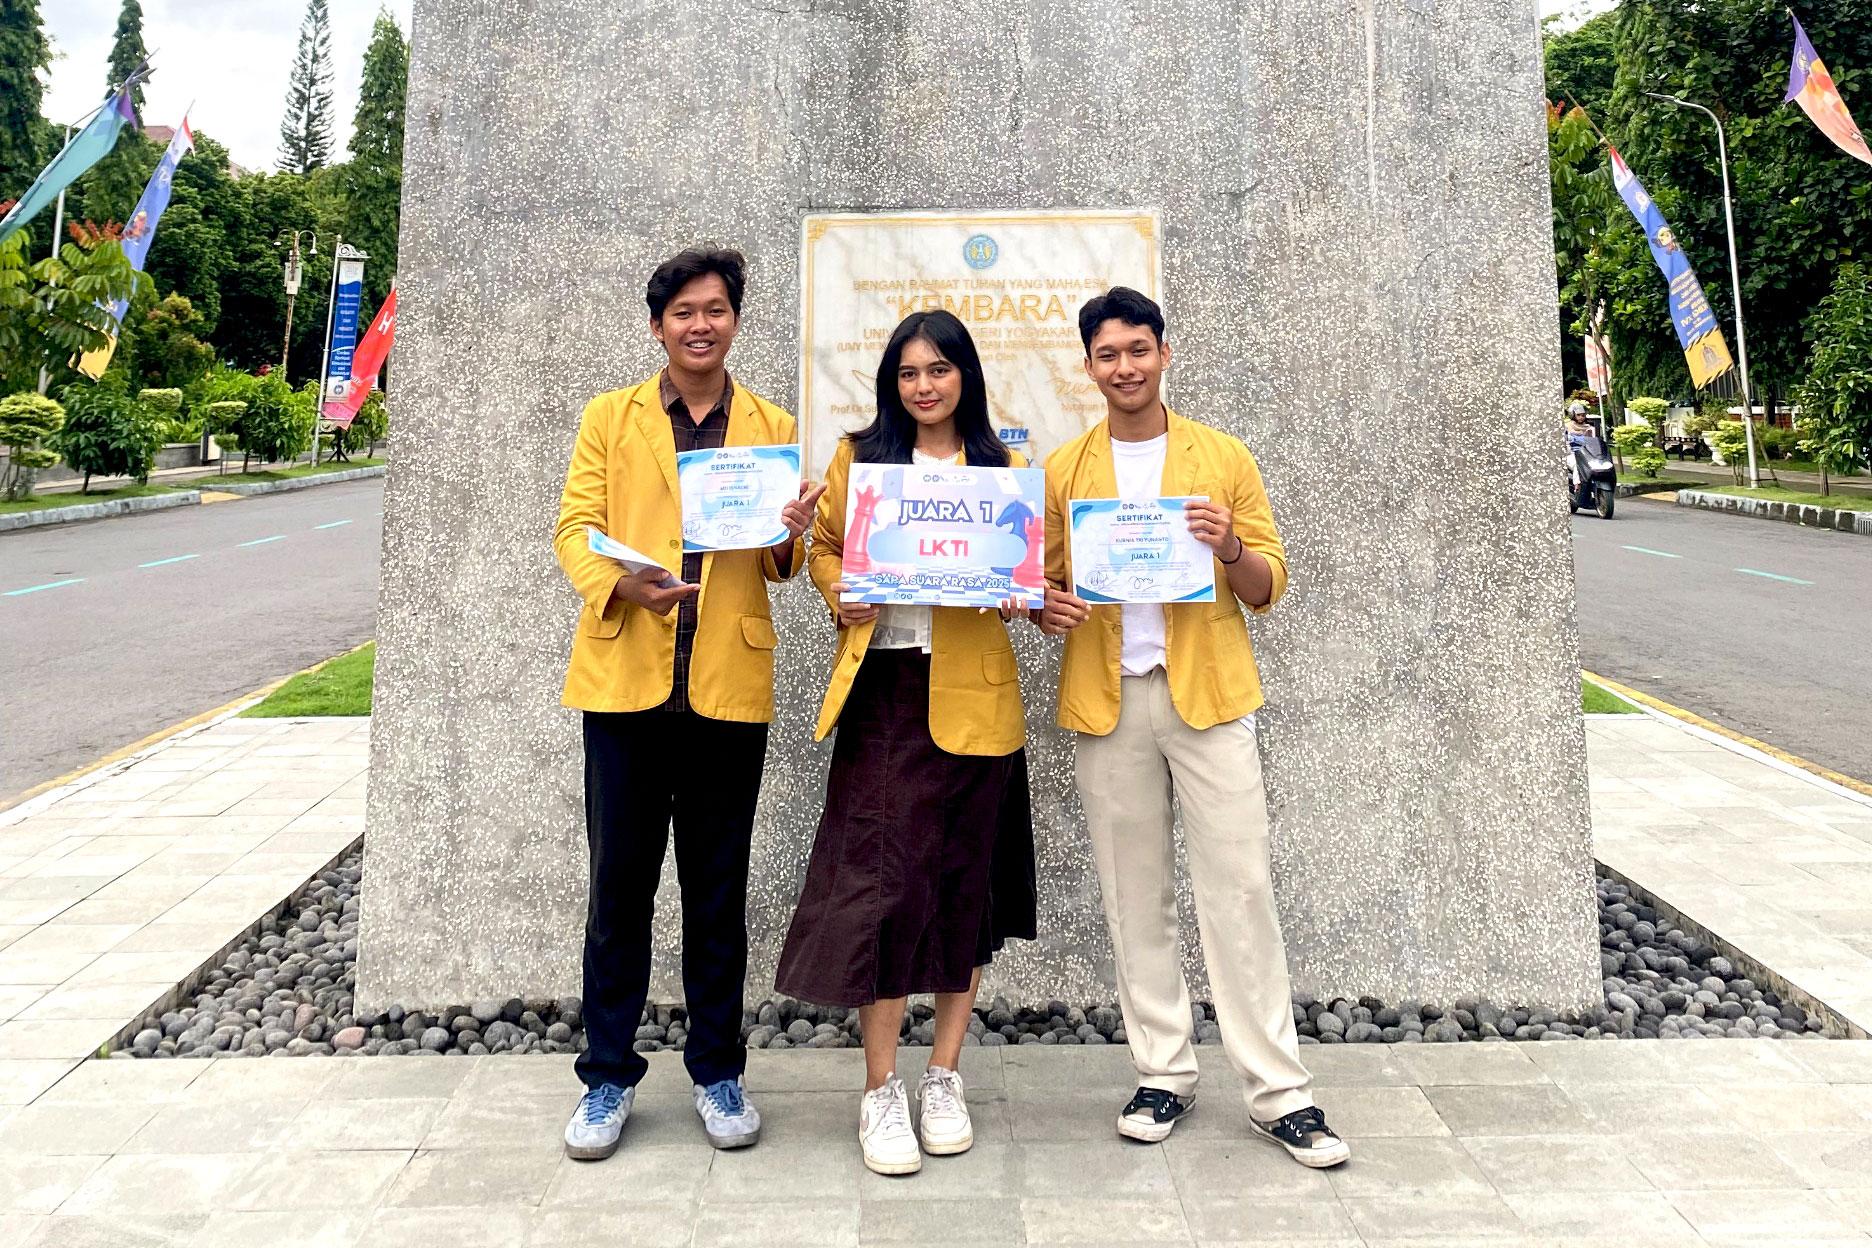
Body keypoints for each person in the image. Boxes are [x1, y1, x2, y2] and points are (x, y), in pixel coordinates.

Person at [1034, 287, 1349, 1169]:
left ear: (1164, 354)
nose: (1124, 367)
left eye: (1138, 349)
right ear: (1089, 367)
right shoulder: (1065, 470)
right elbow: (1045, 586)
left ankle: (1280, 1092)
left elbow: (1269, 584)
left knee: (1241, 889)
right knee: (1134, 896)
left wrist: (1229, 547)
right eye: (1108, 354)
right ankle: (1163, 1072)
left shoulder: (1221, 457)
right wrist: (1046, 608)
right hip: (1110, 700)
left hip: (1207, 697)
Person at [551, 246, 822, 1161]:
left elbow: (782, 567)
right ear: (658, 326)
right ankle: (606, 1076)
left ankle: (717, 1069)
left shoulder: (771, 423)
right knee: (617, 892)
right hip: (626, 684)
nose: (700, 326)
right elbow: (575, 528)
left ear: (735, 320)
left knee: (717, 893)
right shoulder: (611, 416)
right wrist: (621, 587)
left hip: (724, 688)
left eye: (716, 310)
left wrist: (791, 534)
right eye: (684, 313)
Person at [775, 309, 1038, 1177]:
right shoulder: (861, 459)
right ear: (894, 383)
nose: (925, 386)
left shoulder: (1004, 471)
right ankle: (881, 1087)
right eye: (909, 373)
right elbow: (821, 549)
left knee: (965, 890)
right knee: (879, 893)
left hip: (976, 701)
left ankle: (944, 1075)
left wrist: (1020, 595)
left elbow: (1033, 576)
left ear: (966, 375)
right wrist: (839, 592)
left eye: (940, 369)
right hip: (883, 694)